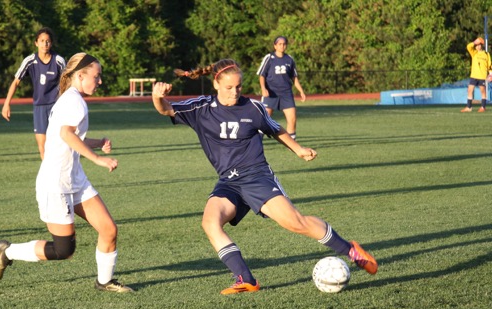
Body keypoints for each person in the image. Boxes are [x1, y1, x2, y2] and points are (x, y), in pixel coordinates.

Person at [152, 59, 377, 295]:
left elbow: (275, 128)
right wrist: (158, 96)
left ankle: (351, 251)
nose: (235, 92)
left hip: (257, 177)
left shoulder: (253, 108)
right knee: (210, 222)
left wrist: (298, 148)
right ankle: (246, 279)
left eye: (238, 86)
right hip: (229, 181)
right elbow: (166, 109)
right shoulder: (201, 109)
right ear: (216, 84)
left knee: (296, 223)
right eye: (229, 87)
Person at [0, 53, 133, 293]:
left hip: (75, 178)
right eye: (96, 76)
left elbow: (73, 136)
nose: (99, 81)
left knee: (109, 229)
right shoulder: (73, 101)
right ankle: (8, 251)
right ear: (80, 75)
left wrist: (98, 142)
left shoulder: (73, 98)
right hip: (55, 182)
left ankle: (104, 282)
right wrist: (98, 159)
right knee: (63, 250)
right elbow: (66, 135)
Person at [1, 27, 66, 159]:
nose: (45, 44)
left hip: (56, 105)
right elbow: (15, 82)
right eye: (42, 41)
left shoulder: (58, 61)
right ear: (36, 43)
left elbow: (67, 83)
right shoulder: (30, 60)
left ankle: (62, 173)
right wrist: (6, 104)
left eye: (47, 41)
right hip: (39, 106)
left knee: (59, 142)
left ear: (51, 43)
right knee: (42, 144)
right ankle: (48, 175)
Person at [257, 36, 306, 140]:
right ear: (275, 46)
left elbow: (294, 78)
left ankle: (291, 145)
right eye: (279, 44)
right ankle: (257, 142)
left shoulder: (289, 59)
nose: (282, 46)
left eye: (284, 44)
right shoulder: (269, 58)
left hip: (286, 94)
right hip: (271, 93)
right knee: (264, 119)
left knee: (292, 119)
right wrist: (263, 88)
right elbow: (262, 75)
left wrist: (301, 91)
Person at [461, 36, 491, 113]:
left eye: (479, 45)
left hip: (482, 76)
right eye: (477, 45)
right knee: (470, 90)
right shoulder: (474, 53)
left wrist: (491, 75)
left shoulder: (486, 54)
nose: (478, 46)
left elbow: (490, 66)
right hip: (474, 75)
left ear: (481, 45)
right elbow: (468, 46)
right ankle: (469, 107)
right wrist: (474, 42)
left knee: (483, 91)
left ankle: (483, 107)